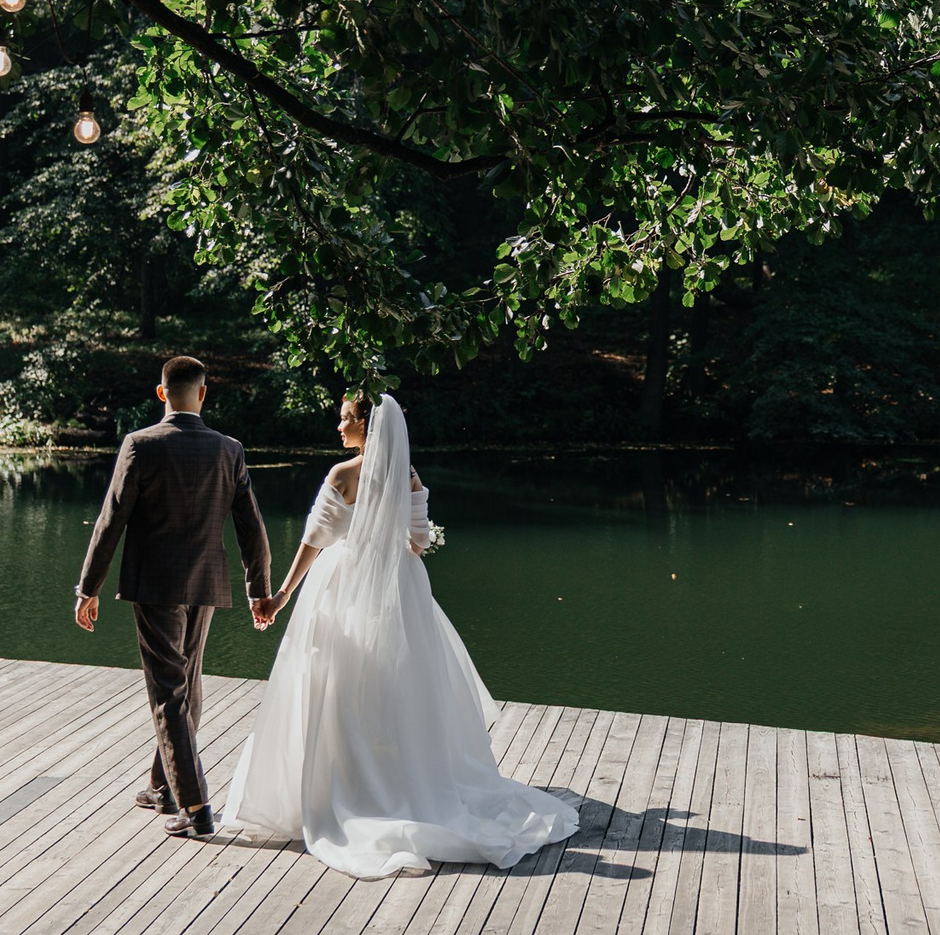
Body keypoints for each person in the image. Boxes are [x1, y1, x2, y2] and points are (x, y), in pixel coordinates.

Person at [223, 392, 578, 877]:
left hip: (344, 585)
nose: (339, 427)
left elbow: (315, 540)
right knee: (396, 688)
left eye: (346, 419)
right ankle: (397, 780)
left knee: (337, 685)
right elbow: (419, 541)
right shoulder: (407, 477)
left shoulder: (342, 476)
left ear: (367, 427)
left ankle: (344, 784)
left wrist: (282, 594)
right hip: (399, 588)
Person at [74, 354, 276, 840]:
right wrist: (259, 590)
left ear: (161, 393)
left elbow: (111, 521)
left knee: (168, 691)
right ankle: (162, 788)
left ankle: (196, 805)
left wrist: (88, 587)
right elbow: (252, 527)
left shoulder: (141, 445)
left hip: (156, 585)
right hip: (206, 584)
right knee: (187, 682)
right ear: (203, 394)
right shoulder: (229, 449)